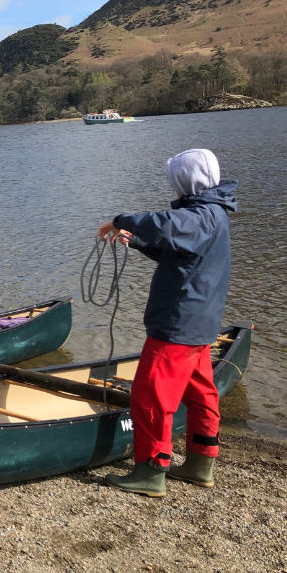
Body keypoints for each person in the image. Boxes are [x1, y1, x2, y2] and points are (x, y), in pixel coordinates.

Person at [98, 148, 238, 497]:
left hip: (177, 325)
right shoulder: (213, 213)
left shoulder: (199, 215)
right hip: (199, 324)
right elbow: (175, 249)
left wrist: (121, 220)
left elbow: (166, 224)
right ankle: (200, 464)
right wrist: (135, 241)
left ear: (186, 181)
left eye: (175, 180)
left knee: (150, 396)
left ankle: (151, 471)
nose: (173, 187)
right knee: (201, 393)